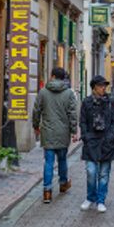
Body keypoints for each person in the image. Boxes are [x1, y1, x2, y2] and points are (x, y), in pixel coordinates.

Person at [32, 67, 78, 204]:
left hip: (48, 131)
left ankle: (47, 191)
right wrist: (74, 130)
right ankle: (63, 183)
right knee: (62, 160)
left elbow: (36, 110)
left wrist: (36, 126)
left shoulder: (43, 92)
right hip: (63, 132)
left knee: (49, 162)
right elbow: (72, 114)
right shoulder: (69, 93)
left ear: (52, 76)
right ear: (63, 78)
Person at [79, 75, 114, 213]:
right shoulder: (87, 102)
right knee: (91, 171)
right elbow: (83, 121)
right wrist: (85, 136)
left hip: (106, 142)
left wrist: (111, 136)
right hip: (91, 141)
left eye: (104, 86)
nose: (104, 88)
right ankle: (90, 197)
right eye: (101, 86)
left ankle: (100, 200)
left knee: (104, 173)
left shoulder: (110, 101)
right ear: (94, 88)